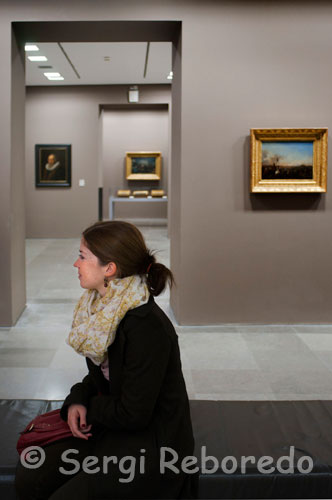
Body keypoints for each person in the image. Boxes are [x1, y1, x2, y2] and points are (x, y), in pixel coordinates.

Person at [15, 220, 198, 500]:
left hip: (152, 444)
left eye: (82, 257)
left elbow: (134, 413)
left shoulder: (146, 327)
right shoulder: (102, 311)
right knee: (30, 478)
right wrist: (77, 399)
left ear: (109, 269)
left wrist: (87, 404)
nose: (75, 264)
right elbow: (105, 375)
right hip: (114, 425)